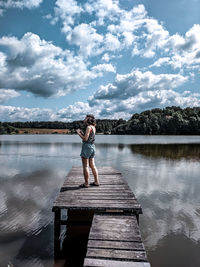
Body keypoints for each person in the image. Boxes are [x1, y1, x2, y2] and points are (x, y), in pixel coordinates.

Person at [76, 114, 99, 188]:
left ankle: (86, 183)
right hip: (92, 147)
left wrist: (79, 133)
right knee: (92, 165)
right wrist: (82, 133)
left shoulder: (88, 127)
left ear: (88, 119)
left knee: (85, 166)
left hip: (86, 147)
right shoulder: (93, 127)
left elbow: (85, 139)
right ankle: (96, 181)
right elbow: (89, 137)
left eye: (85, 118)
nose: (84, 119)